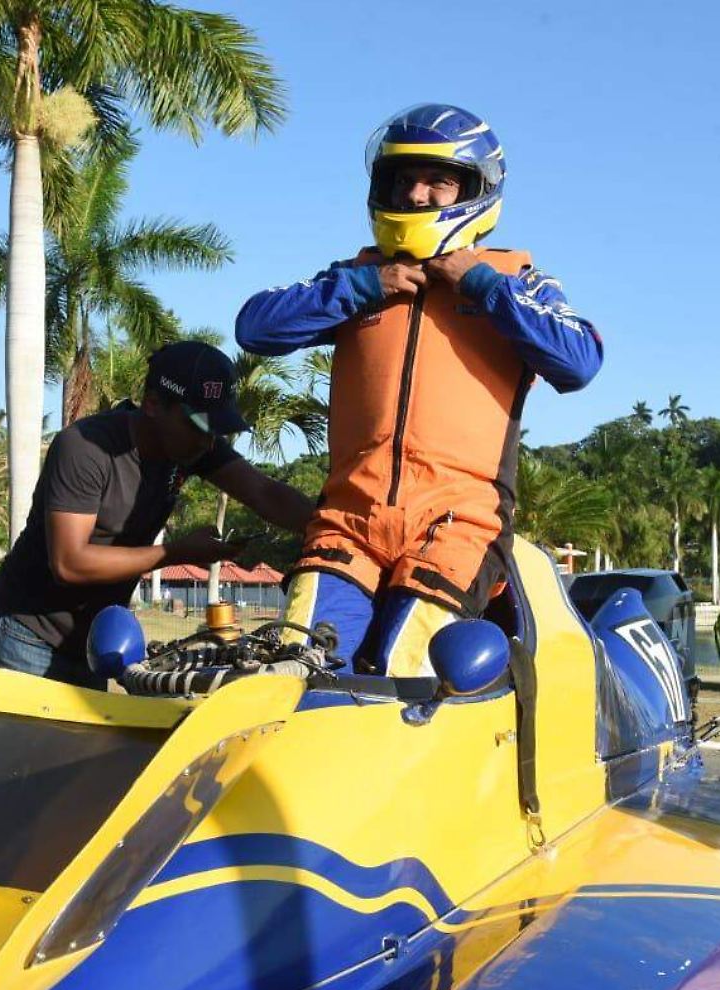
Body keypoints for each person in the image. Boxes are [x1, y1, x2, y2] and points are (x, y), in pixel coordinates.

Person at [235, 103, 603, 675]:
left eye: (439, 180)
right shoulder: (356, 275)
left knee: (404, 673)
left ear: (475, 190)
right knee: (296, 667)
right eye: (404, 180)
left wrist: (481, 286)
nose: (416, 195)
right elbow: (255, 327)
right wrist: (363, 286)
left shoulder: (518, 281)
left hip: (457, 526)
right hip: (347, 525)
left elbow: (579, 360)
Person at [0, 341, 313, 687]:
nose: (208, 443)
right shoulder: (86, 448)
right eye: (198, 426)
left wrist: (335, 527)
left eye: (216, 430)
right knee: (21, 744)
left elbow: (266, 493)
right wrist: (177, 552)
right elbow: (69, 563)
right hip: (26, 636)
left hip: (94, 645)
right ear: (152, 405)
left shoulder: (192, 446)